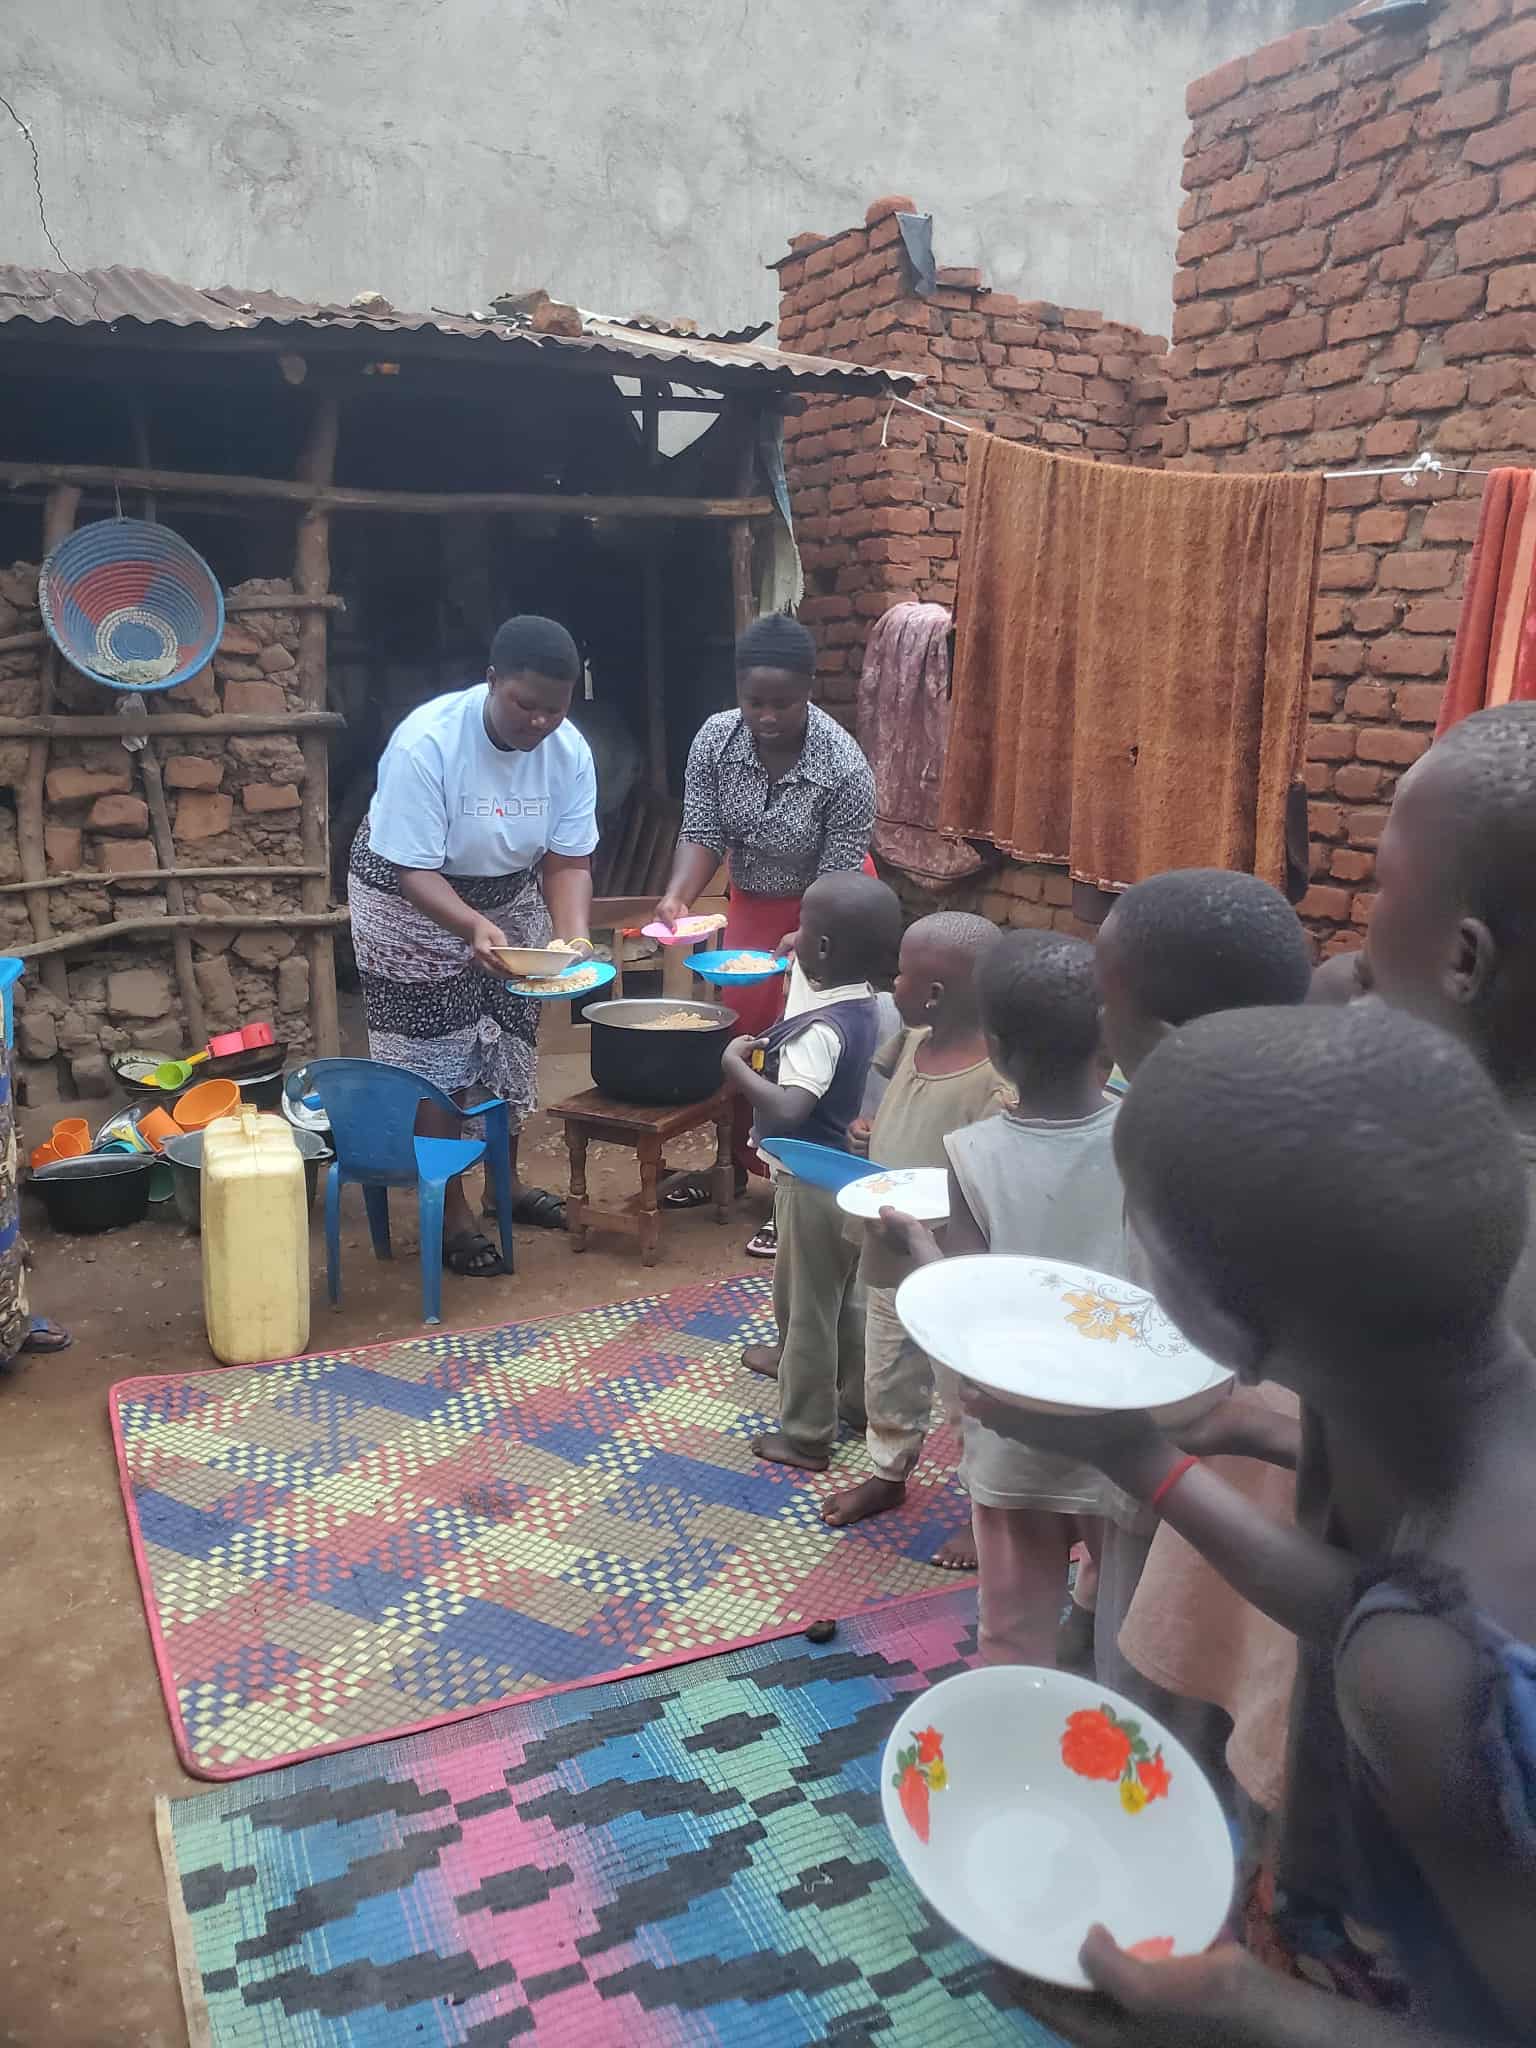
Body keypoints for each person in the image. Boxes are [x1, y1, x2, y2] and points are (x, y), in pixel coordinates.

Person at [971, 1002, 1536, 2047]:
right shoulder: (1478, 1473)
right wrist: (1135, 1452)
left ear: (1218, 1325)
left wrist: (1250, 2010)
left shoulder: (1418, 1672)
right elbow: (1370, 1596)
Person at [1088, 867, 1314, 1707]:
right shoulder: (1311, 1113)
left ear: (1167, 1033)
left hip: (1178, 1469)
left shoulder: (1175, 1150)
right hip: (1264, 1492)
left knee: (1149, 1682)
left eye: (1106, 999)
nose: (1096, 1017)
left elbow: (1166, 1352)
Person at [878, 931, 1133, 1662]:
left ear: (998, 1047)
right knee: (1124, 1607)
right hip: (1122, 1423)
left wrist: (917, 1248)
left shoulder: (973, 1153)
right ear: (1107, 1035)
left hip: (1016, 1428)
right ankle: (1110, 1704)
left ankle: (1014, 1734)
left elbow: (966, 1293)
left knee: (1013, 1625)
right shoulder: (1143, 1136)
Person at [348, 615, 597, 1277]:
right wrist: (469, 928)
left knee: (510, 1034)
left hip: (508, 895)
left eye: (555, 708)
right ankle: (451, 1209)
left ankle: (504, 1186)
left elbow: (569, 861)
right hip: (409, 900)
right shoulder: (426, 744)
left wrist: (570, 935)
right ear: (491, 682)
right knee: (436, 1056)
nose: (540, 722)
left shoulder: (569, 752)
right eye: (525, 704)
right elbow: (412, 870)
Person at [653, 614, 876, 1246]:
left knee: (810, 1044)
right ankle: (737, 1169)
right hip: (752, 902)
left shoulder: (844, 767)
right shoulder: (715, 742)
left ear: (810, 688)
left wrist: (809, 934)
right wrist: (677, 896)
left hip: (833, 910)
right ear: (738, 691)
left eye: (783, 702)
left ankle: (799, 1190)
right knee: (747, 1035)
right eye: (755, 701)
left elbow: (838, 876)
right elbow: (702, 831)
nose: (768, 715)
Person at [820, 912, 1007, 1538]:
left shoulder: (993, 1081)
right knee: (889, 1364)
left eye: (899, 974)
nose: (889, 983)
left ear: (933, 995)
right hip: (890, 1242)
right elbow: (899, 1104)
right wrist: (872, 1132)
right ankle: (889, 1469)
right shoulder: (911, 1041)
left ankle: (988, 1505)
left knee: (964, 1390)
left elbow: (992, 1168)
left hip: (954, 1258)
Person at [722, 870, 901, 1472]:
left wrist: (735, 1065)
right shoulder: (862, 1005)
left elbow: (791, 1105)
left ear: (820, 947)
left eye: (805, 930)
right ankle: (856, 1402)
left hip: (809, 1180)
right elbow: (816, 973)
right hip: (844, 1177)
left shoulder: (816, 1033)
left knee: (809, 1311)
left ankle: (805, 1433)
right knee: (841, 1296)